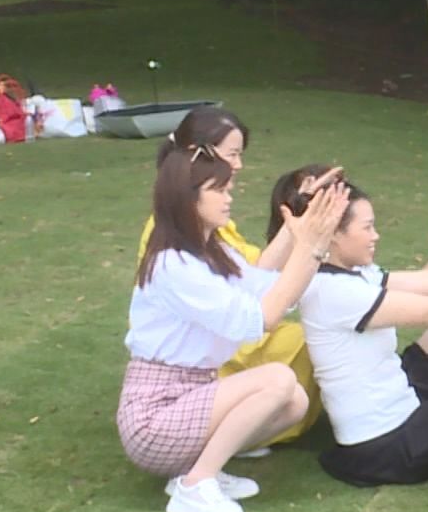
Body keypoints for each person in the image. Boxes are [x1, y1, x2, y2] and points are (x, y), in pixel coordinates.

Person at [118, 145, 348, 512]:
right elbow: (262, 317)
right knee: (277, 379)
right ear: (188, 198)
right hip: (153, 420)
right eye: (219, 190)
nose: (229, 198)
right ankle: (195, 486)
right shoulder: (174, 265)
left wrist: (305, 229)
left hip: (188, 397)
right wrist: (311, 247)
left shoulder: (210, 252)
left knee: (295, 403)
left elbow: (264, 286)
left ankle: (197, 471)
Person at [138, 108, 326, 452]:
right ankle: (202, 471)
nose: (238, 166)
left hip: (219, 342)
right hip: (213, 350)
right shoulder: (173, 248)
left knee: (305, 356)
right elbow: (257, 310)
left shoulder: (208, 232)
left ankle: (223, 446)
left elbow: (253, 276)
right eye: (232, 154)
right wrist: (309, 248)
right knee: (294, 358)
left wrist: (300, 218)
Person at [297, 181, 428, 487]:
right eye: (367, 227)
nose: (376, 236)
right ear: (335, 234)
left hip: (401, 411)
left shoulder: (355, 272)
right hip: (387, 447)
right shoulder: (335, 290)